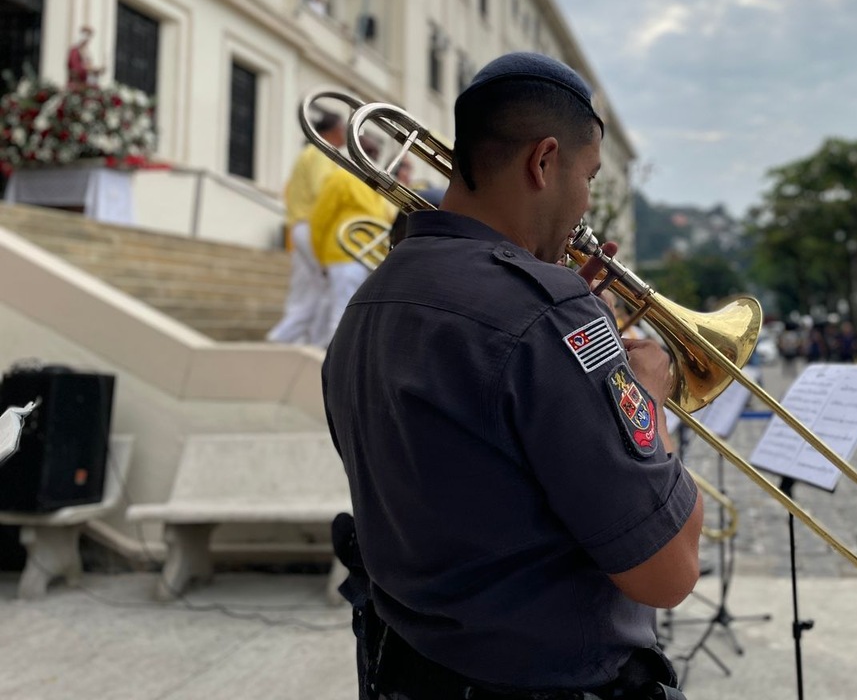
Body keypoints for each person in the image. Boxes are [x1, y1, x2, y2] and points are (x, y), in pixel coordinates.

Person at [323, 52, 702, 699]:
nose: (585, 207)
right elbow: (669, 572)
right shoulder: (546, 312)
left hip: (408, 670)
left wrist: (563, 329)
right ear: (544, 161)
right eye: (588, 177)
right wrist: (644, 396)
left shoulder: (371, 299)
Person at [266, 111, 344, 345]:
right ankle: (307, 342)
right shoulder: (322, 153)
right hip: (313, 227)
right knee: (325, 286)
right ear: (332, 132)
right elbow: (324, 191)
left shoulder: (309, 153)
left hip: (301, 227)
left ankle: (286, 339)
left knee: (307, 289)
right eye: (342, 129)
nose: (345, 135)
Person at [310, 134, 395, 346]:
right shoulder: (340, 177)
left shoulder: (377, 183)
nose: (375, 157)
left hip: (366, 258)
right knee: (341, 312)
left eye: (376, 153)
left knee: (346, 312)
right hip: (342, 254)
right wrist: (320, 258)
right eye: (371, 152)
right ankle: (331, 359)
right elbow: (319, 219)